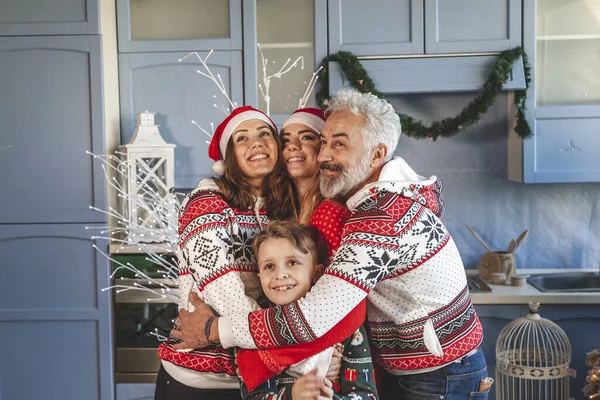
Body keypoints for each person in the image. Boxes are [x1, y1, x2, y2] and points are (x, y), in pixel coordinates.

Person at [172, 89, 489, 400]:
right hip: (408, 369)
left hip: (440, 376)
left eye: (338, 144)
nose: (324, 155)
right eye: (324, 142)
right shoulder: (324, 208)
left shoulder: (380, 216)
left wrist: (215, 330)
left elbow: (320, 314)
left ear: (377, 155)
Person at [154, 106, 298, 400]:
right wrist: (284, 347)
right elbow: (223, 290)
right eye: (241, 138)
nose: (256, 143)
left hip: (262, 377)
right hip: (199, 379)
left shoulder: (285, 207)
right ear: (229, 156)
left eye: (264, 134)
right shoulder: (206, 202)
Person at [233, 107, 365, 392]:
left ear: (323, 149)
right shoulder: (283, 211)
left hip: (332, 363)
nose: (293, 146)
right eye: (286, 139)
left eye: (306, 137)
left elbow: (344, 301)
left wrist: (290, 357)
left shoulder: (328, 213)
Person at [240, 220, 378, 400]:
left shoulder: (343, 324)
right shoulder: (249, 331)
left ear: (317, 273)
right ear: (259, 277)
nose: (280, 274)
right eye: (269, 266)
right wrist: (292, 396)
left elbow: (366, 394)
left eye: (292, 262)